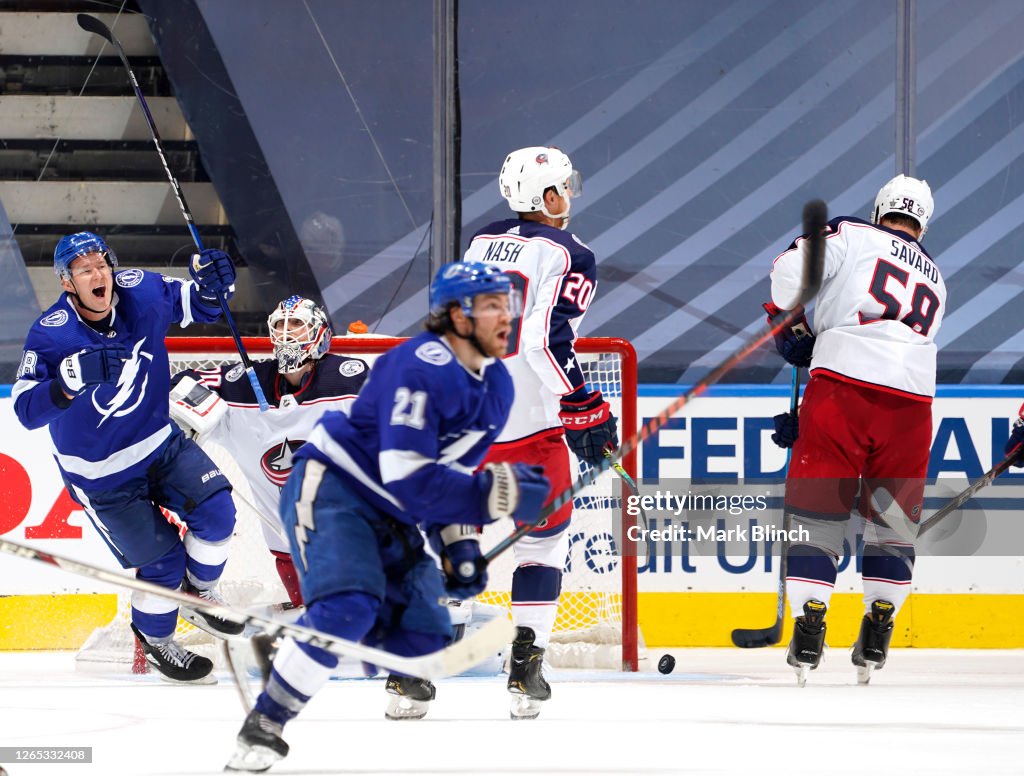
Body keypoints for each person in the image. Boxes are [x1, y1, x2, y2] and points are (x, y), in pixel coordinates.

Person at [225, 262, 550, 772]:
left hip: (385, 511)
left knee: (426, 633)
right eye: (490, 305)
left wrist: (460, 546)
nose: (505, 316)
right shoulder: (416, 368)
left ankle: (302, 644)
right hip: (332, 489)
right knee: (349, 609)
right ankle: (266, 722)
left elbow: (446, 475)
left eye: (505, 304)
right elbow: (410, 476)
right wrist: (501, 492)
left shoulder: (496, 390)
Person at [12, 231, 245, 684]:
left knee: (218, 512)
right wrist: (67, 382)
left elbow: (200, 304)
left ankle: (201, 595)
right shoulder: (51, 334)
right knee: (161, 565)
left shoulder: (141, 289)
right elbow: (24, 411)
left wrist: (215, 284)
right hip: (102, 478)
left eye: (101, 264)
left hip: (160, 443)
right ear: (67, 283)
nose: (98, 274)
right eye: (85, 271)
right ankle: (156, 640)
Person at [765, 175, 945, 684]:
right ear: (923, 224)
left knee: (817, 512)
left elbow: (785, 280)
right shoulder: (936, 276)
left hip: (843, 388)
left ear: (879, 208)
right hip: (912, 405)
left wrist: (799, 327)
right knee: (891, 524)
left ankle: (809, 624)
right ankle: (880, 624)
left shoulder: (851, 231)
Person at [461, 146, 619, 718]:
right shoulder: (573, 253)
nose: (569, 196)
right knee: (544, 542)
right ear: (543, 197)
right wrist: (583, 406)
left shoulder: (480, 241)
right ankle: (525, 663)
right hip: (530, 427)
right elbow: (544, 341)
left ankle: (411, 672)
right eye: (561, 188)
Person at [169, 295, 370, 606]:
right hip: (286, 542)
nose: (287, 333)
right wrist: (189, 411)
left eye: (297, 325)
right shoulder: (245, 384)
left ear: (319, 333)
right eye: (280, 324)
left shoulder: (349, 379)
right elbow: (184, 381)